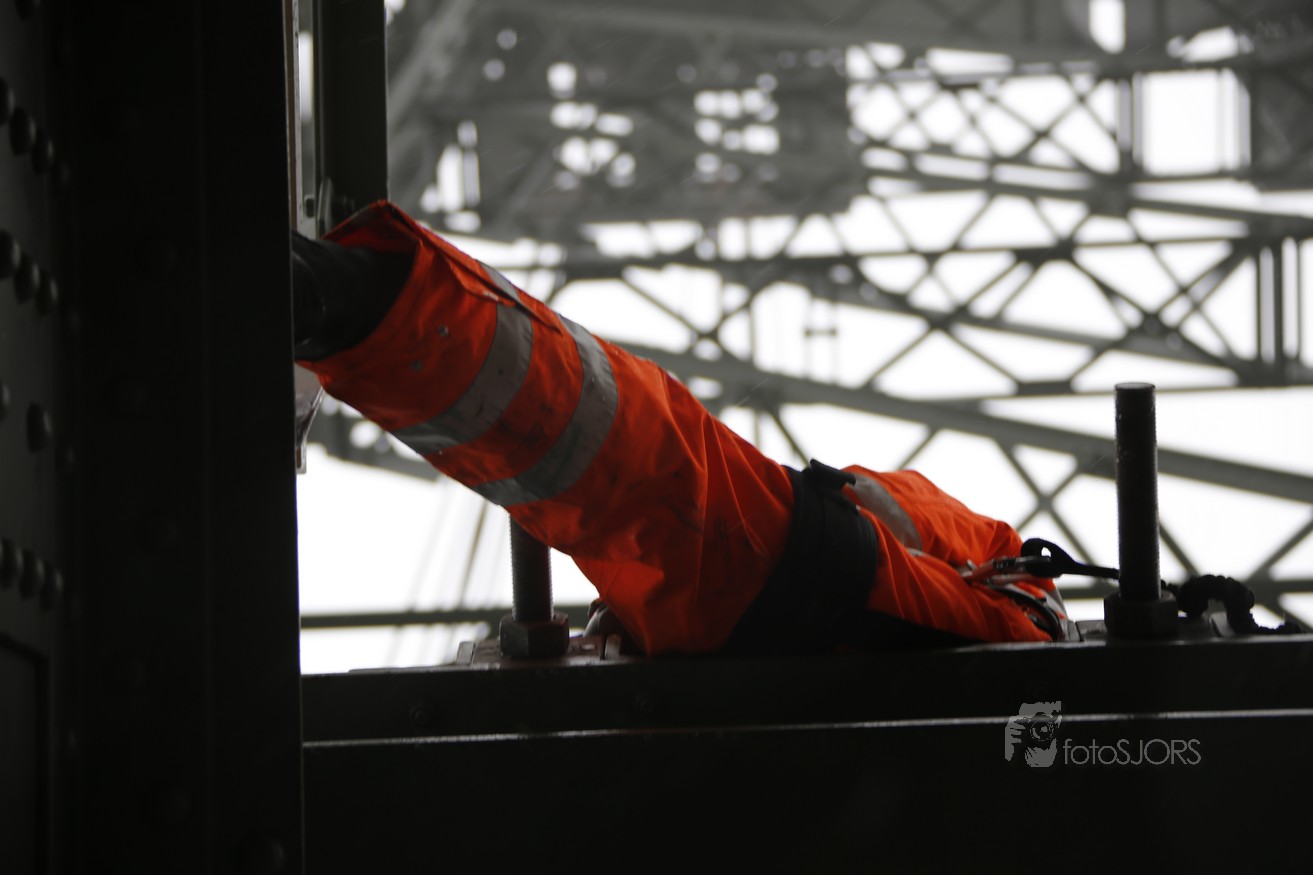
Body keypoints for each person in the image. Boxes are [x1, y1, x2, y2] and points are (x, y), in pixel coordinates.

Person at [292, 201, 1069, 657]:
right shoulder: (1011, 602)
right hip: (807, 582)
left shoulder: (1019, 626)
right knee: (653, 472)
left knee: (649, 465)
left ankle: (340, 299)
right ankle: (339, 301)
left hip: (802, 577)